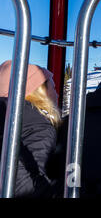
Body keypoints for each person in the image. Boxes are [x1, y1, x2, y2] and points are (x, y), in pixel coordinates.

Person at [0, 60, 61, 197]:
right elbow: (25, 188)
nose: (57, 95)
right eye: (54, 88)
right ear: (39, 92)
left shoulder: (7, 120)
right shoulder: (37, 127)